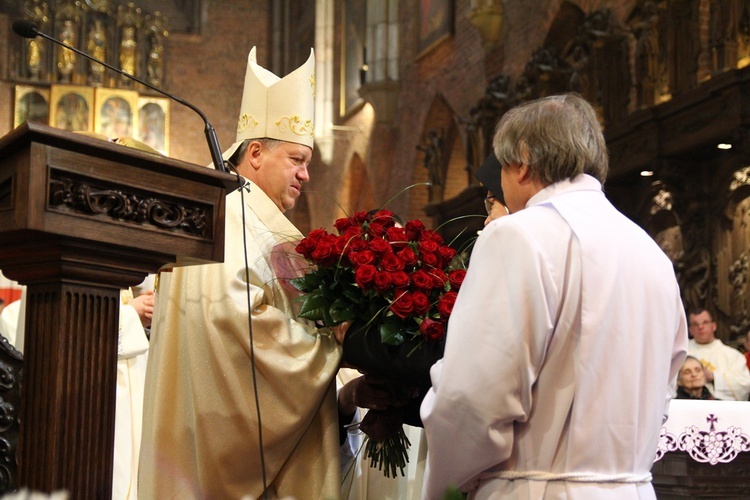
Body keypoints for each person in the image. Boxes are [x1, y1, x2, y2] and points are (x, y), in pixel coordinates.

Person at [420, 93, 687, 499]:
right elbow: (665, 388)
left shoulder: (518, 235)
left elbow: (472, 400)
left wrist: (443, 488)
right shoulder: (649, 251)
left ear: (523, 161)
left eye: (503, 168)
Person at [139, 47, 346, 499]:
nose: (306, 175)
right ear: (255, 152)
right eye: (296, 159)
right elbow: (237, 328)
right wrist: (335, 347)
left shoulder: (244, 218)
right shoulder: (232, 220)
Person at [686, 308, 750, 401]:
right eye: (695, 324)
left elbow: (745, 384)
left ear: (714, 326)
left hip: (723, 411)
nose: (700, 327)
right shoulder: (682, 353)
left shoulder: (732, 356)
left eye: (705, 322)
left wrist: (714, 377)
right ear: (690, 330)